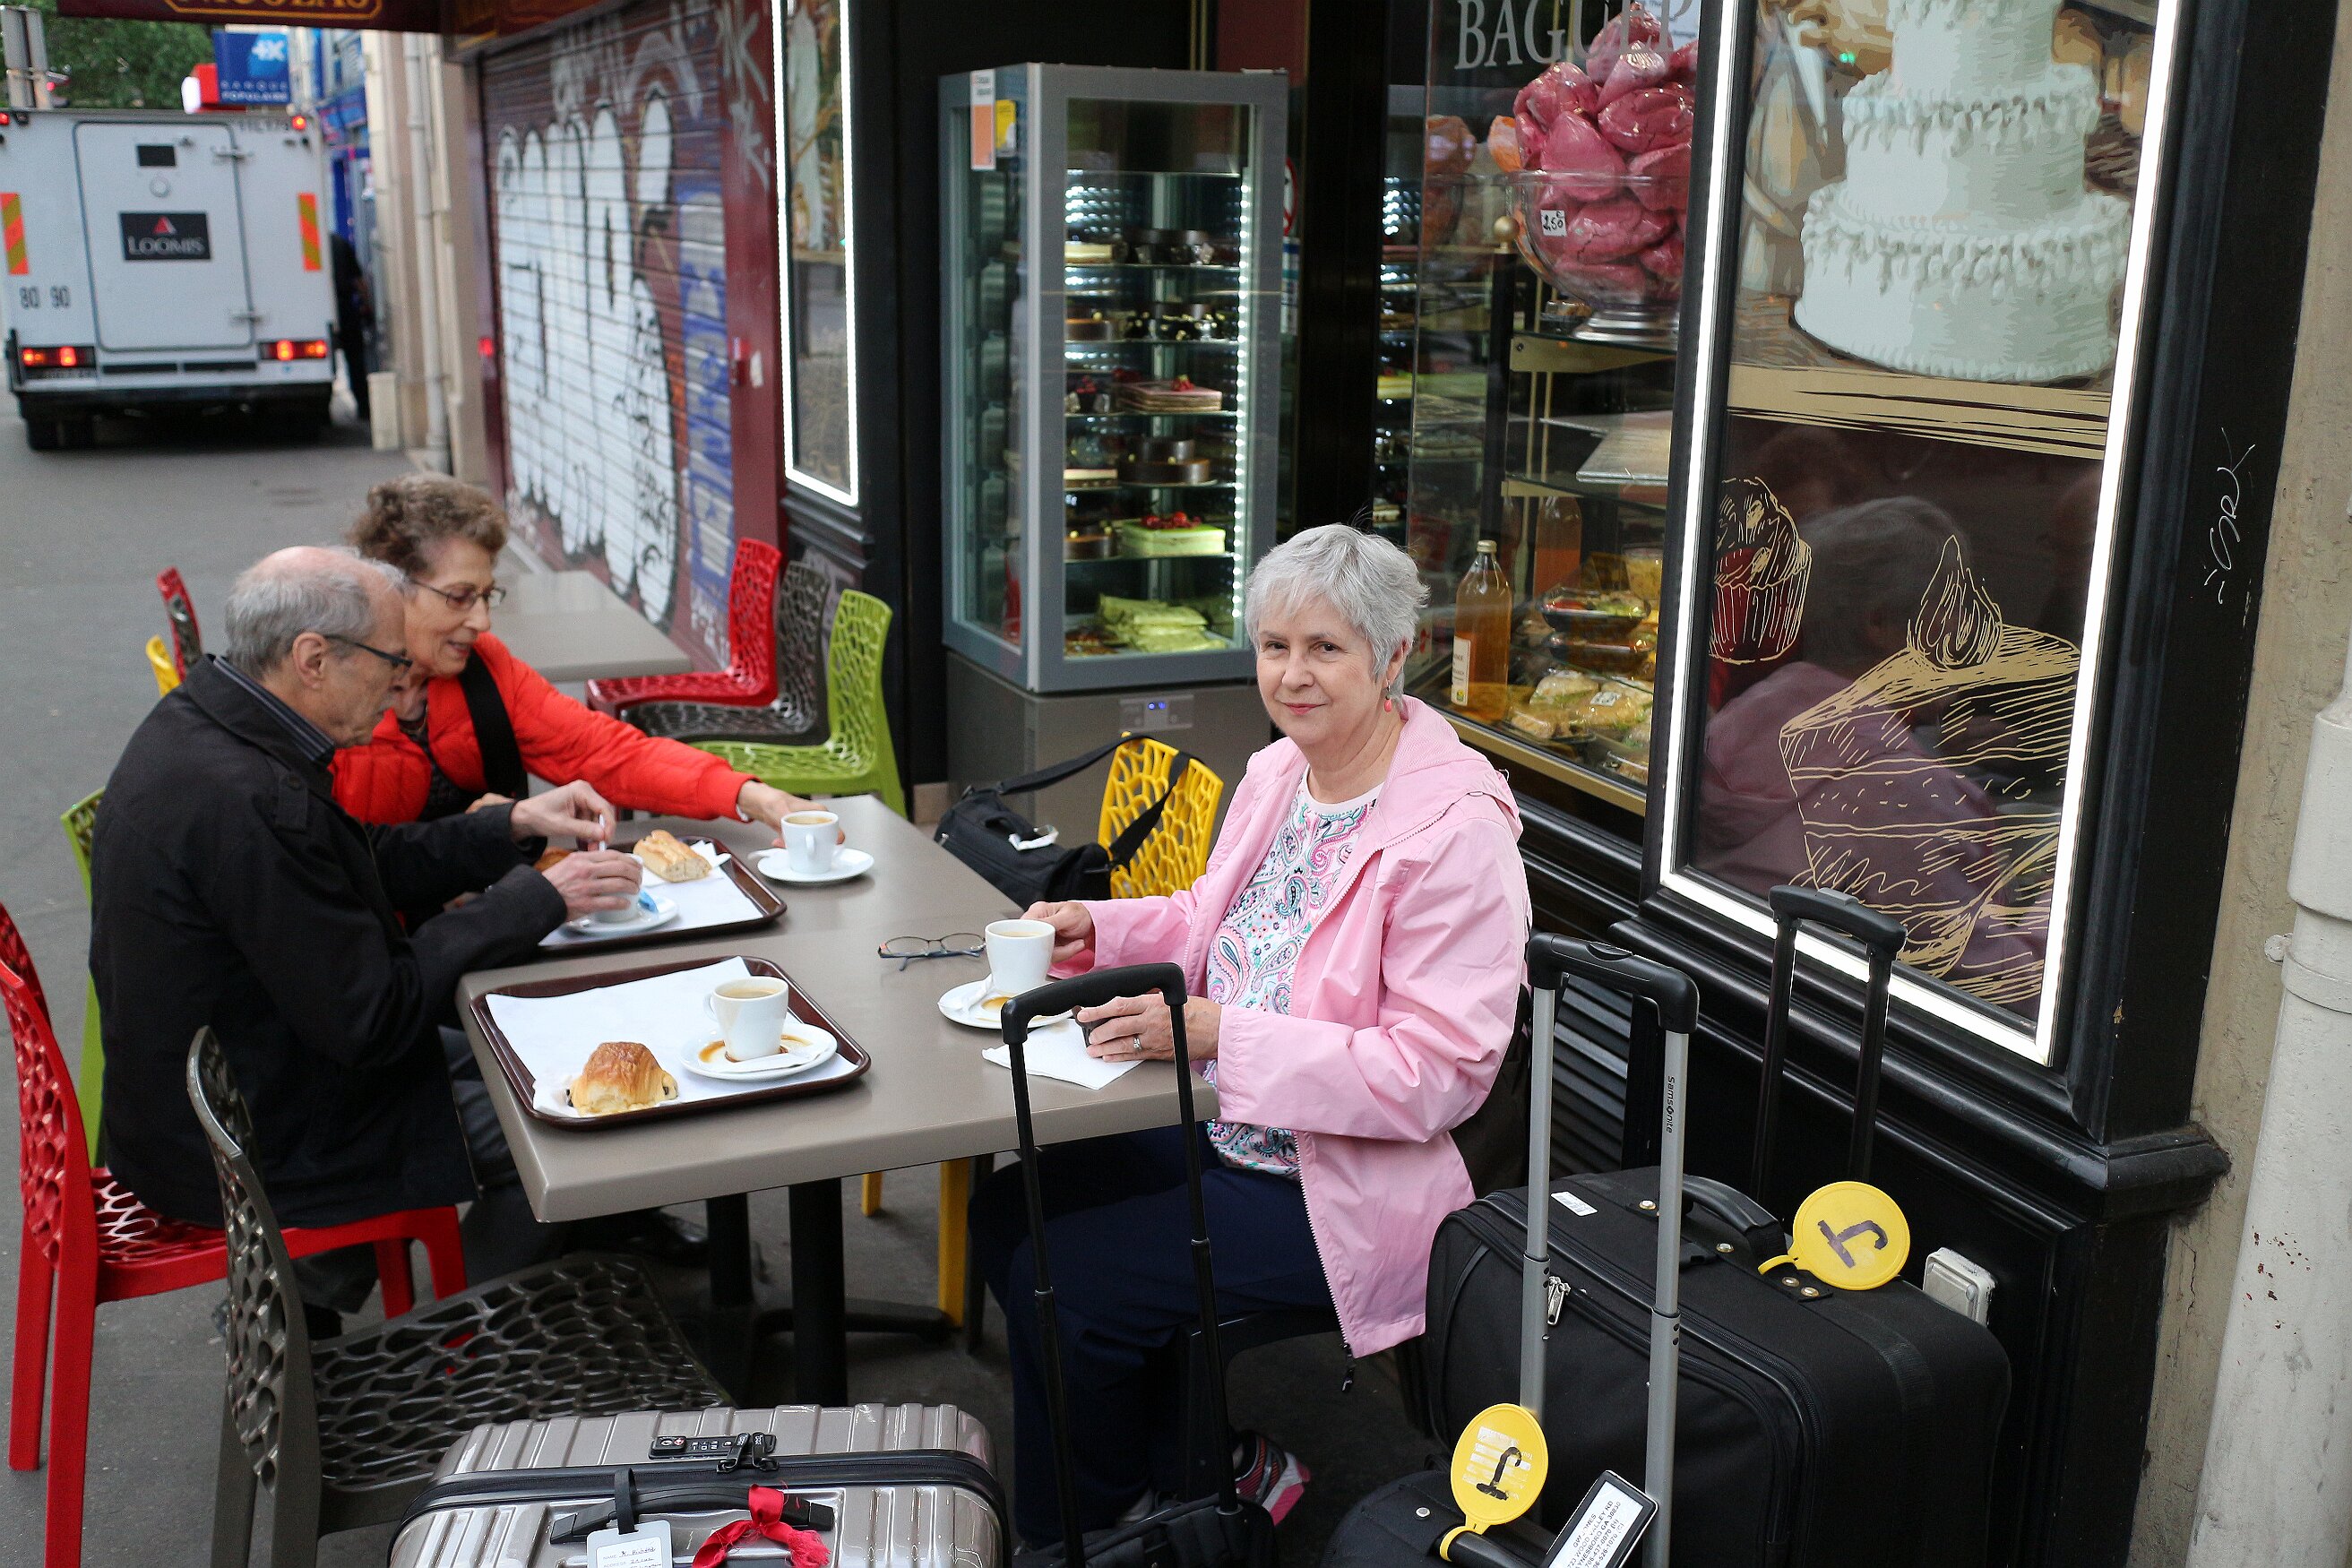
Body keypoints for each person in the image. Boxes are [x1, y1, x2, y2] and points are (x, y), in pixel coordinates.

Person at [970, 523, 1532, 1544]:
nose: (1292, 674)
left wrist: (1220, 1036)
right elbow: (1211, 920)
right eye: (1275, 646)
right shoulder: (1281, 772)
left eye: (1325, 648)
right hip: (1230, 1125)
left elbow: (1437, 1073)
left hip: (1339, 1183)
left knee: (1076, 1284)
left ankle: (1095, 1534)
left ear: (1393, 656)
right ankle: (1197, 1470)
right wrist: (1102, 928)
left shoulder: (1455, 831)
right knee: (1012, 1211)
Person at [90, 547, 644, 1322]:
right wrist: (537, 898)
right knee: (567, 1125)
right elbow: (375, 1016)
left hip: (219, 1088)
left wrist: (508, 825)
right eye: (391, 661)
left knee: (526, 1044)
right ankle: (467, 1351)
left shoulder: (211, 721)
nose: (401, 684)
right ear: (313, 658)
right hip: (248, 1138)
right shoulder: (251, 801)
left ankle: (313, 1298)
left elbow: (352, 863)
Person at [332, 474, 815, 837]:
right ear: (388, 587)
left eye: (486, 596)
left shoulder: (485, 669)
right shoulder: (327, 699)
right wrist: (479, 838)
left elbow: (604, 753)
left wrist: (749, 795)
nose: (482, 621)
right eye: (459, 597)